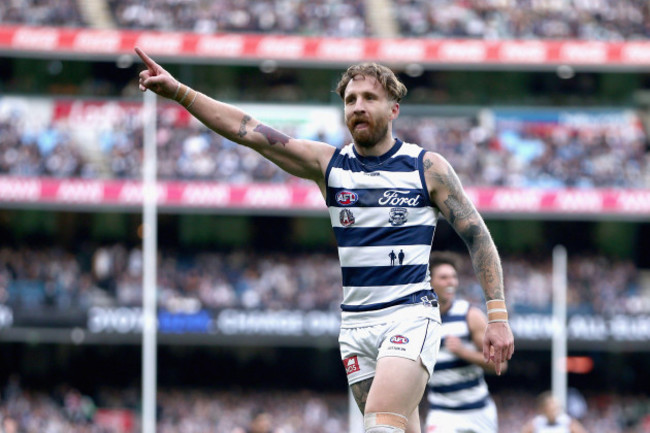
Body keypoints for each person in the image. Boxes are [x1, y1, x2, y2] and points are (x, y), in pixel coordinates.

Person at [135, 49, 514, 433]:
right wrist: (179, 92)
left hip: (410, 315)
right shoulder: (329, 165)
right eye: (350, 100)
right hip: (355, 327)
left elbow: (477, 234)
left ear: (394, 109)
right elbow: (247, 129)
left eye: (369, 98)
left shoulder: (425, 167)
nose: (358, 107)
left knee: (380, 426)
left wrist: (497, 316)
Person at [420, 252, 506, 433]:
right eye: (444, 277)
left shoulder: (470, 315)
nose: (451, 282)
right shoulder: (419, 320)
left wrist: (463, 352)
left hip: (478, 411)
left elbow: (501, 364)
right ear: (429, 281)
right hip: (441, 412)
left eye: (453, 277)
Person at [521, 392, 588, 433]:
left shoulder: (568, 422)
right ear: (544, 409)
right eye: (551, 408)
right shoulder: (535, 423)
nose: (554, 411)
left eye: (556, 408)